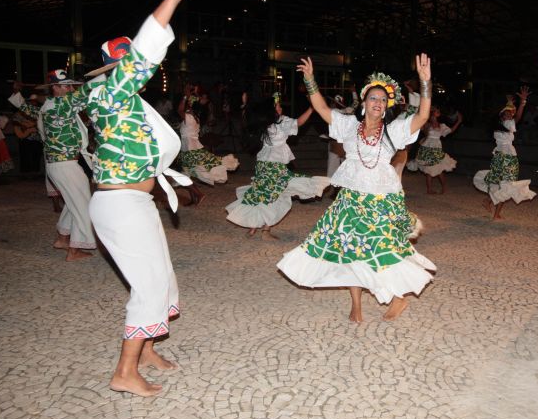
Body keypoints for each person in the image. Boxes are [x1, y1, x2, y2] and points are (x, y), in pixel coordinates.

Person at [83, 0, 193, 397]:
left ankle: (145, 350)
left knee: (161, 277)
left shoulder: (126, 101)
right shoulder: (110, 94)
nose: (143, 73)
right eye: (131, 67)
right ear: (117, 68)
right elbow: (148, 48)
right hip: (120, 204)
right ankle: (124, 372)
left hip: (135, 201)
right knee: (147, 285)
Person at [277, 55, 435, 322]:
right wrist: (310, 80)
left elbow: (422, 116)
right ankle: (356, 305)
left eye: (383, 100)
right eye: (373, 98)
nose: (378, 103)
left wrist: (425, 83)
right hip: (350, 201)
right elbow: (321, 109)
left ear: (386, 107)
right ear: (363, 102)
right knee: (350, 252)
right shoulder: (348, 126)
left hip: (381, 203)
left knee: (385, 252)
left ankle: (398, 298)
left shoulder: (393, 131)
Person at [9, 70, 97, 261]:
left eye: (71, 85)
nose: (71, 89)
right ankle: (75, 249)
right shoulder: (61, 104)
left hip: (58, 165)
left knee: (74, 201)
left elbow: (26, 108)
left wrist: (17, 93)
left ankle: (62, 238)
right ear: (55, 88)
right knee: (83, 204)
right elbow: (87, 91)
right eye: (66, 85)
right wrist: (111, 74)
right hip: (65, 165)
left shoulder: (47, 107)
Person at [225, 93, 328, 239]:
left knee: (262, 194)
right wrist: (311, 109)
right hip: (274, 167)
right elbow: (298, 122)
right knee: (275, 197)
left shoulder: (264, 124)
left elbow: (246, 118)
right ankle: (265, 231)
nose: (281, 107)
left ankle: (254, 228)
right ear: (271, 110)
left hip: (263, 165)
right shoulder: (280, 122)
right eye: (278, 106)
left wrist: (245, 105)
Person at [473, 86, 536, 220]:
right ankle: (493, 208)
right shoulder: (505, 125)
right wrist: (522, 103)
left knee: (505, 186)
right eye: (507, 114)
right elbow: (517, 117)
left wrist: (513, 103)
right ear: (501, 117)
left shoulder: (504, 126)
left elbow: (514, 115)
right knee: (505, 185)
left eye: (510, 114)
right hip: (504, 158)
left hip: (506, 158)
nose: (510, 115)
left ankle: (491, 206)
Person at [177, 88, 238, 198]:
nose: (188, 105)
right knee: (187, 173)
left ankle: (198, 195)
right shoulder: (196, 118)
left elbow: (180, 110)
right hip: (192, 148)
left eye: (190, 105)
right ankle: (196, 197)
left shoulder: (189, 117)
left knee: (187, 173)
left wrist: (185, 97)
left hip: (190, 150)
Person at [407, 105, 462, 194]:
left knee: (438, 169)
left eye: (438, 111)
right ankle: (429, 189)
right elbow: (418, 123)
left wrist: (459, 121)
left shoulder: (441, 126)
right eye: (436, 110)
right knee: (429, 169)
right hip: (427, 147)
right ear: (432, 113)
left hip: (436, 148)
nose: (438, 112)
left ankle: (443, 188)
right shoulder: (426, 124)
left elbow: (451, 131)